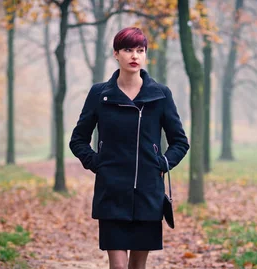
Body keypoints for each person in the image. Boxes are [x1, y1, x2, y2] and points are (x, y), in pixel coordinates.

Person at [69, 27, 190, 269]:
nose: (134, 56)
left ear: (145, 55)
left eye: (140, 50)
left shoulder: (160, 95)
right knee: (118, 267)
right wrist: (97, 163)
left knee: (137, 266)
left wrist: (162, 164)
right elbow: (78, 139)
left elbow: (180, 141)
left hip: (148, 194)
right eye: (127, 50)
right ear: (116, 54)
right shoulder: (100, 94)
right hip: (111, 193)